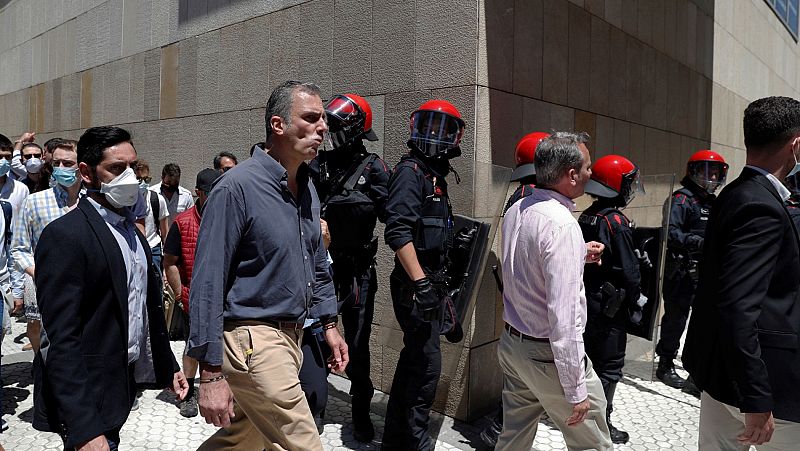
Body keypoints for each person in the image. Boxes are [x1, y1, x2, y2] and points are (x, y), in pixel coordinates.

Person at [188, 81, 348, 451]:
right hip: (251, 340)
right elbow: (207, 282)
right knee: (302, 443)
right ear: (278, 125)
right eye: (310, 118)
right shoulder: (235, 188)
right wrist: (210, 374)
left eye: (323, 118)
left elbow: (316, 262)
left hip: (293, 336)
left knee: (243, 438)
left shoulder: (306, 186)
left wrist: (329, 323)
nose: (322, 127)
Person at [32, 126, 188, 450]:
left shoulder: (131, 232)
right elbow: (62, 341)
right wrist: (84, 427)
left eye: (132, 166)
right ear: (87, 173)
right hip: (90, 398)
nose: (129, 177)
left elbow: (145, 307)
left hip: (121, 384)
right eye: (117, 168)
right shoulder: (66, 236)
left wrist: (168, 364)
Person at [683, 96, 800, 450]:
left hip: (721, 374)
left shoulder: (735, 192)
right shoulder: (762, 206)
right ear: (796, 145)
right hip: (763, 387)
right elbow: (738, 305)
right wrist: (756, 398)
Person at [496, 132, 612, 451]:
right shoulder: (561, 225)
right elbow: (564, 319)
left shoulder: (519, 207)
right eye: (587, 167)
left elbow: (526, 263)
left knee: (514, 437)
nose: (591, 173)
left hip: (513, 345)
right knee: (593, 444)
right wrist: (576, 390)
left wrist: (576, 252)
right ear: (572, 175)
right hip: (546, 355)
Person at [382, 99, 465, 450]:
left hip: (429, 287)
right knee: (425, 372)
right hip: (417, 289)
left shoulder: (435, 177)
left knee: (414, 363)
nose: (435, 135)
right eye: (429, 126)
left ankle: (396, 441)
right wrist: (421, 284)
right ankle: (415, 443)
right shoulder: (411, 173)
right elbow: (397, 232)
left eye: (443, 129)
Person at [308, 92, 389, 442]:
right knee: (315, 337)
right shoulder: (317, 163)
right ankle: (315, 403)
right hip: (318, 269)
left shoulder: (375, 169)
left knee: (357, 344)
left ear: (357, 130)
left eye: (338, 125)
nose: (329, 130)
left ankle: (360, 413)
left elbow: (397, 219)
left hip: (356, 273)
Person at [579, 154, 648, 444]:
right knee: (609, 367)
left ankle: (584, 417)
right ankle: (601, 423)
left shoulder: (588, 214)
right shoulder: (616, 220)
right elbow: (630, 272)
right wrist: (637, 301)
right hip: (611, 305)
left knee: (590, 361)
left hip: (590, 300)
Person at [655, 150, 728, 395]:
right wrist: (696, 242)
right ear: (694, 171)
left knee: (703, 321)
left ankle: (696, 369)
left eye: (717, 171)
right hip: (682, 271)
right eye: (708, 171)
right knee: (676, 319)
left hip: (707, 272)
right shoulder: (681, 200)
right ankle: (665, 364)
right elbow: (670, 231)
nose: (713, 176)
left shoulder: (713, 202)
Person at [10, 139, 82, 355]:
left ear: (83, 165)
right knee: (48, 340)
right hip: (48, 288)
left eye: (68, 164)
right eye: (56, 163)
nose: (60, 169)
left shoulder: (94, 201)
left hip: (87, 288)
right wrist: (39, 273)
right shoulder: (35, 202)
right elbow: (19, 249)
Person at [163, 168, 221, 419]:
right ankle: (187, 391)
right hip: (192, 297)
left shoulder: (228, 217)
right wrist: (180, 294)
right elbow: (170, 262)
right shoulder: (183, 222)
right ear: (198, 193)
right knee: (192, 346)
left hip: (224, 297)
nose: (217, 197)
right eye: (211, 193)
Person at [134, 160, 168, 271]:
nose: (143, 183)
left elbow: (164, 232)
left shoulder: (157, 199)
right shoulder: (124, 202)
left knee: (155, 284)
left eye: (146, 179)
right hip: (133, 249)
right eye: (139, 179)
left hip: (153, 249)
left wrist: (166, 266)